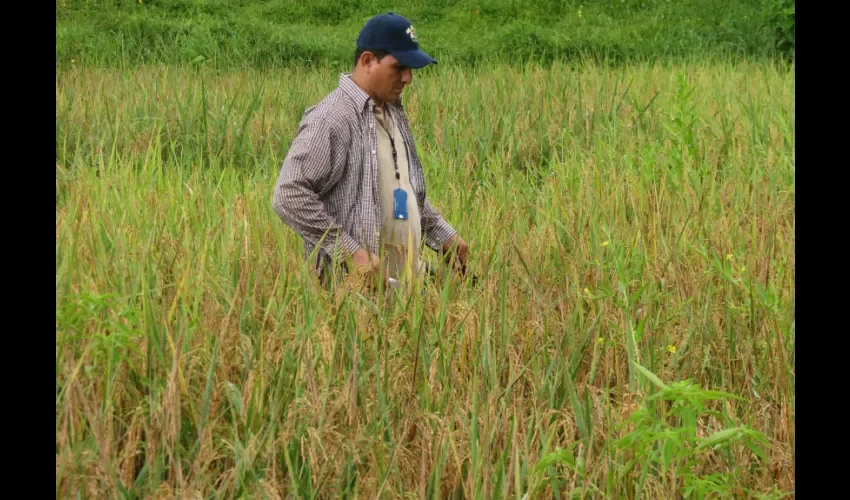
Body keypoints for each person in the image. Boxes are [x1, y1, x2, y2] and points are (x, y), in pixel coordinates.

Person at [272, 12, 469, 288]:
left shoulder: (391, 112)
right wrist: (352, 253)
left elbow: (401, 192)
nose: (408, 78)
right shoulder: (332, 118)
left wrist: (443, 236)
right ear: (367, 61)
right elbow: (288, 193)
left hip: (406, 289)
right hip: (357, 298)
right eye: (399, 67)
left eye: (411, 69)